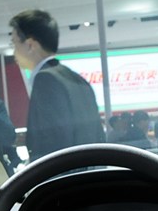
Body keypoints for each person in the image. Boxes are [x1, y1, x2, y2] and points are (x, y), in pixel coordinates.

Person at [9, 9, 105, 161]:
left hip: (63, 173)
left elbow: (52, 144)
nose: (14, 52)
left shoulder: (46, 80)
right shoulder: (77, 79)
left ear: (30, 45)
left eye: (14, 43)